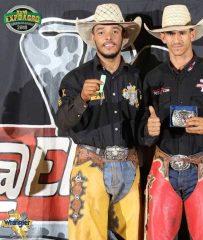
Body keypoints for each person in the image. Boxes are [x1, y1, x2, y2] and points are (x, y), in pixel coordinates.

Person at [139, 4, 203, 240]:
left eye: (182, 32)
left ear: (192, 34)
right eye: (171, 33)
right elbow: (140, 126)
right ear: (163, 37)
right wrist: (148, 129)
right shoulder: (152, 78)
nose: (177, 39)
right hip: (163, 165)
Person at [55, 4, 142, 240]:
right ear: (93, 37)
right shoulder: (75, 78)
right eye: (101, 31)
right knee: (86, 236)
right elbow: (62, 123)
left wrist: (152, 130)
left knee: (132, 235)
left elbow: (145, 128)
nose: (108, 38)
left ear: (123, 36)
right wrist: (82, 99)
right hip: (90, 165)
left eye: (114, 31)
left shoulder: (138, 77)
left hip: (129, 165)